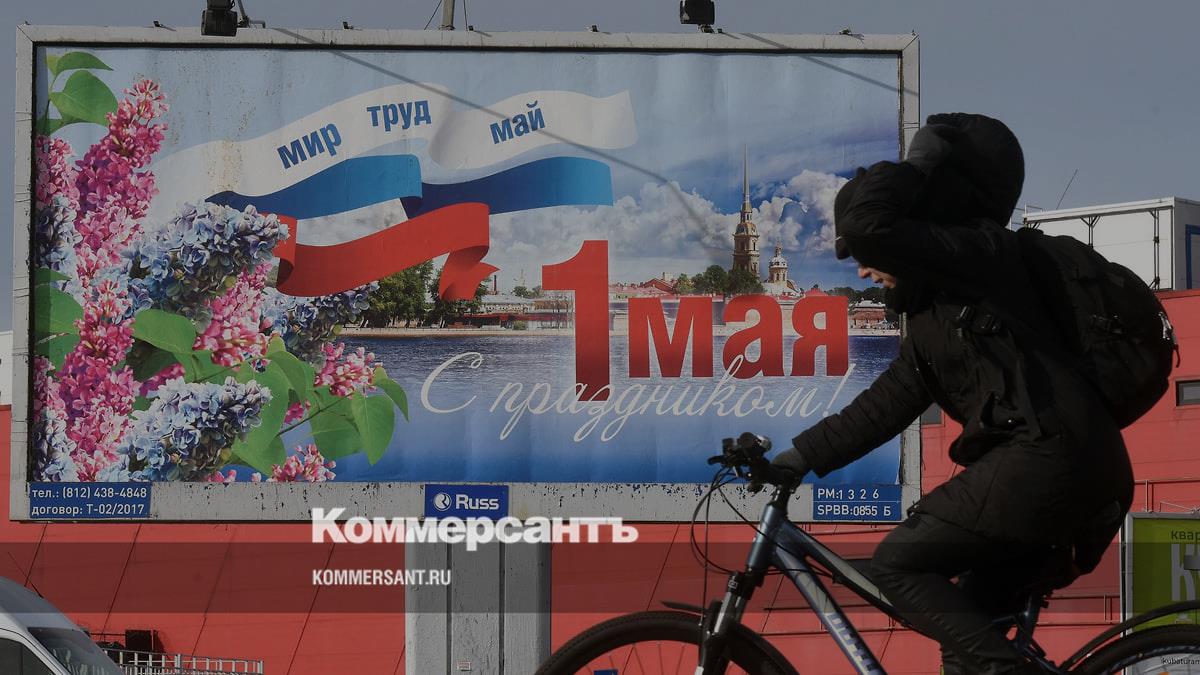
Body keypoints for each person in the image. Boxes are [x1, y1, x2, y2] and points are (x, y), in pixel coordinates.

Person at [770, 113, 1134, 675]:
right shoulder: (937, 314)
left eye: (862, 256)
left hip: (1051, 461)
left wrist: (919, 166)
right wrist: (796, 458)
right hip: (1064, 471)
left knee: (897, 564)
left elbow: (869, 225)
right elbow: (886, 404)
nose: (862, 271)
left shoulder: (979, 255)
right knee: (964, 648)